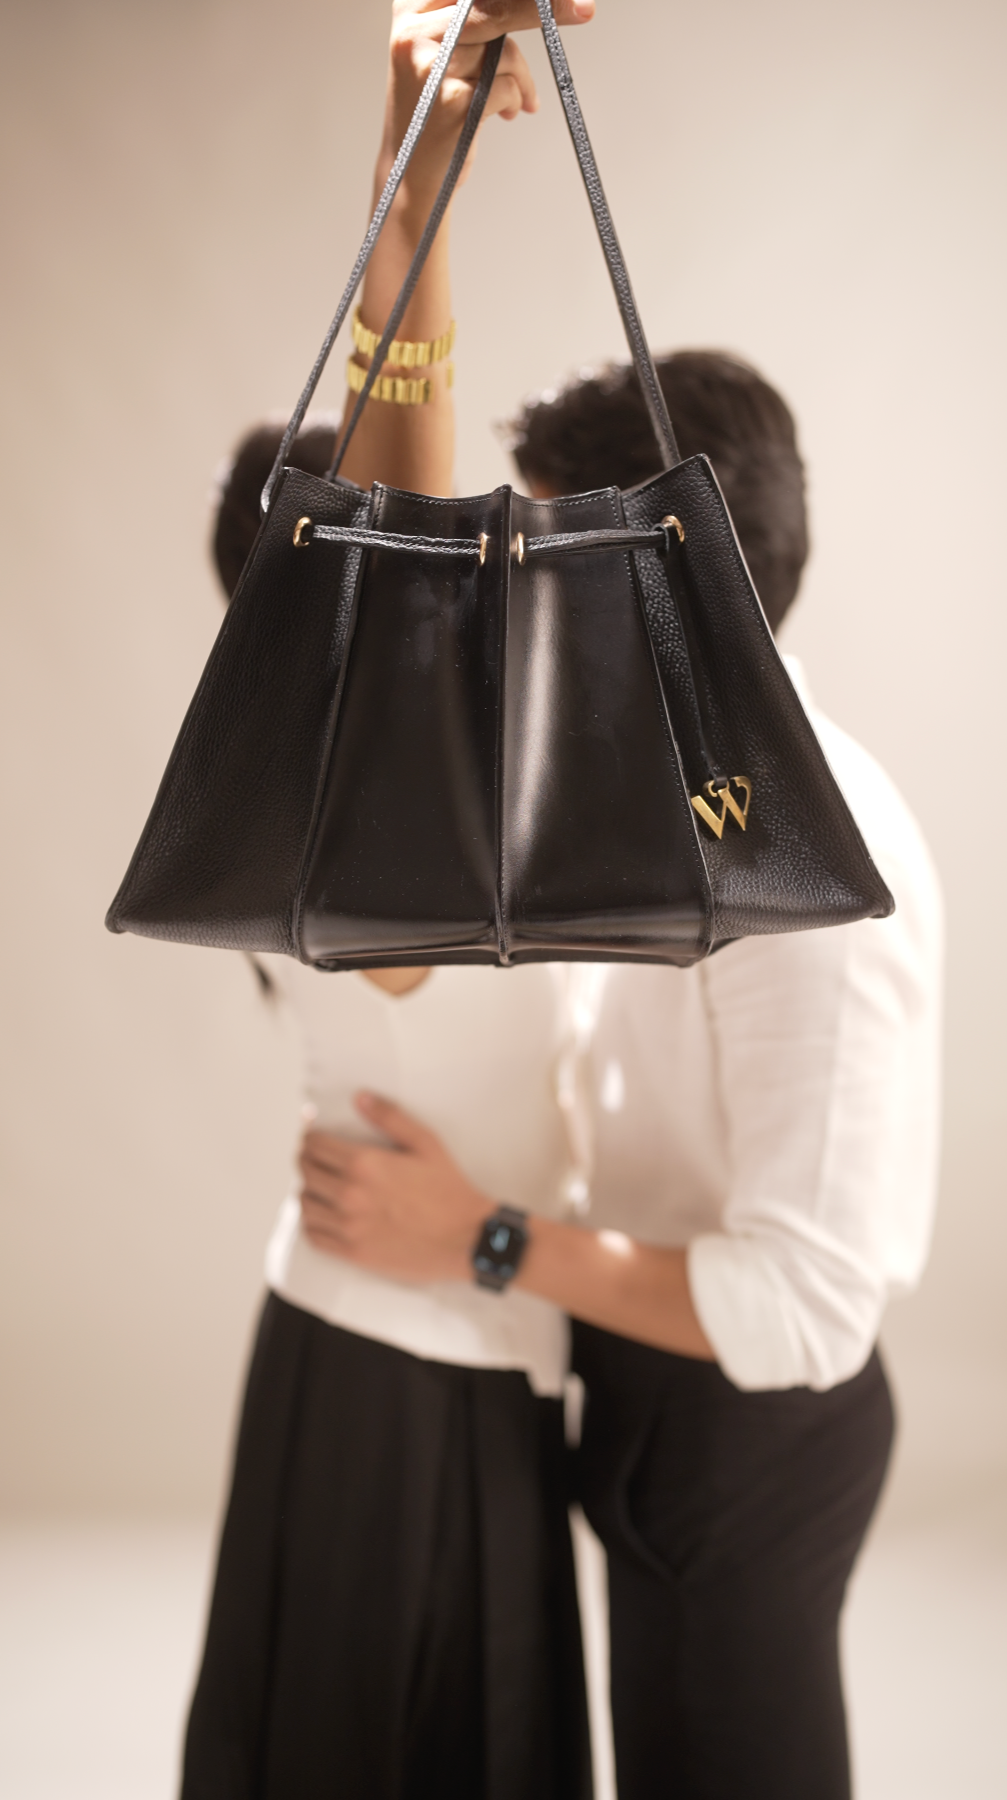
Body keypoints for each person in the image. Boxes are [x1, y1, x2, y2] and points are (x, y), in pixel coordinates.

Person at [284, 26, 944, 1799]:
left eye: (563, 567)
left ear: (683, 593)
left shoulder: (824, 871)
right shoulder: (639, 789)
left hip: (748, 1433)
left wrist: (481, 1240)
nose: (528, 606)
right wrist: (411, 164)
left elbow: (805, 1309)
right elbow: (398, 538)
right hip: (647, 1393)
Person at [181, 7, 598, 1799]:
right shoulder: (362, 792)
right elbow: (404, 451)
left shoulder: (405, 792)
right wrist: (411, 166)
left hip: (462, 1357)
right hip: (389, 1373)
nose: (464, 556)